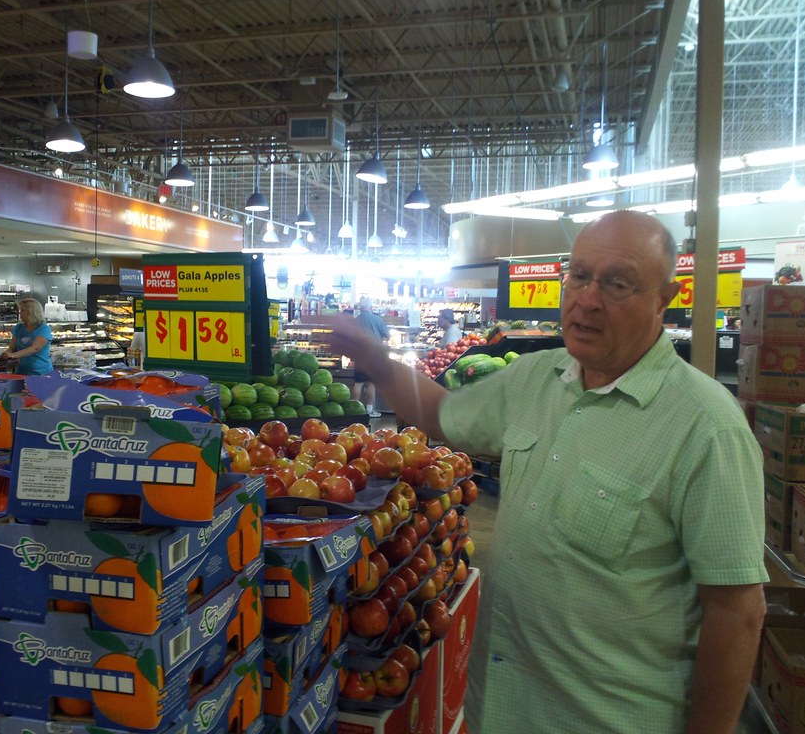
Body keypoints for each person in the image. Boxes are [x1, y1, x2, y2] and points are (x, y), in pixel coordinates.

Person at [325, 211, 767, 734]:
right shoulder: (537, 378)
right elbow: (442, 415)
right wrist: (376, 360)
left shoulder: (706, 427)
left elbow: (736, 613)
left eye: (617, 283)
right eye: (578, 275)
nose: (587, 299)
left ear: (663, 299)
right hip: (501, 710)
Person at [350, 297, 389, 417]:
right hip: (374, 355)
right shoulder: (377, 319)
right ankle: (369, 410)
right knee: (371, 383)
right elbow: (386, 335)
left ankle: (354, 410)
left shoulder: (355, 320)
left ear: (361, 309)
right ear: (370, 308)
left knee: (359, 382)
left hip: (360, 355)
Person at [4, 298, 53, 375]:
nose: (20, 313)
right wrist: (8, 353)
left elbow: (35, 348)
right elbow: (12, 347)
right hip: (21, 372)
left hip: (41, 374)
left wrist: (14, 355)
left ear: (32, 312)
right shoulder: (19, 327)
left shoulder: (44, 328)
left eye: (23, 310)